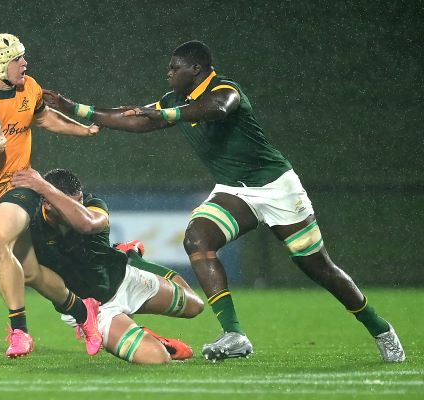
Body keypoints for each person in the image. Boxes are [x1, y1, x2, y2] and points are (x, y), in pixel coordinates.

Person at [41, 40, 406, 363]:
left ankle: (379, 328)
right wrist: (74, 107)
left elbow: (218, 108)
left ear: (196, 69)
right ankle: (235, 334)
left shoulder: (225, 88)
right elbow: (134, 120)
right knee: (197, 238)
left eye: (175, 68)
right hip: (234, 189)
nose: (168, 74)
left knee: (319, 269)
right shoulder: (176, 101)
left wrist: (168, 114)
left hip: (277, 188)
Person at [0, 33, 101, 358]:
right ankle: (85, 313)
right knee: (29, 272)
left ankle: (19, 332)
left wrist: (82, 129)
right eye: (17, 59)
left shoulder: (30, 88)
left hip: (22, 184)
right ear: (0, 64)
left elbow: (44, 118)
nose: (24, 63)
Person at [1, 167, 204, 363]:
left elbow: (87, 223)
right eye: (66, 202)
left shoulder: (93, 205)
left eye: (79, 200)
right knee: (157, 357)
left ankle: (133, 258)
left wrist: (44, 187)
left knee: (196, 306)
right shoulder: (31, 220)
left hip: (124, 278)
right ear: (47, 203)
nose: (79, 206)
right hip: (94, 309)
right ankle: (148, 337)